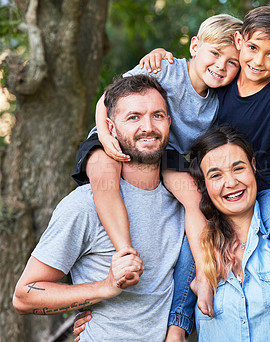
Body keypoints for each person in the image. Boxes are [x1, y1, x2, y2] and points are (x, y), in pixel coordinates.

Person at [138, 3, 270, 339]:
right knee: (192, 242)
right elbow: (189, 76)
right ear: (240, 42)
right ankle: (178, 327)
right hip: (227, 187)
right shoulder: (223, 83)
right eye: (253, 49)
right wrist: (160, 56)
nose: (258, 62)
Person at [74, 126, 270, 341]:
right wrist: (97, 319)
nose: (231, 183)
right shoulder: (192, 249)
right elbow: (150, 304)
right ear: (204, 185)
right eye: (216, 175)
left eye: (239, 168)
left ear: (254, 168)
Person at [72, 15, 242, 338]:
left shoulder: (219, 101)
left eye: (232, 62)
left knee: (196, 199)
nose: (221, 66)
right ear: (195, 46)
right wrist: (106, 134)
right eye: (215, 54)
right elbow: (109, 97)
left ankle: (203, 276)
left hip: (163, 154)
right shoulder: (165, 69)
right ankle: (124, 252)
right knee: (104, 175)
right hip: (120, 136)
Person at [13, 75, 186, 342]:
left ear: (169, 122)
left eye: (158, 115)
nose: (148, 127)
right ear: (110, 127)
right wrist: (104, 288)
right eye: (134, 117)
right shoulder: (85, 204)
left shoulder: (181, 201)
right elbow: (25, 295)